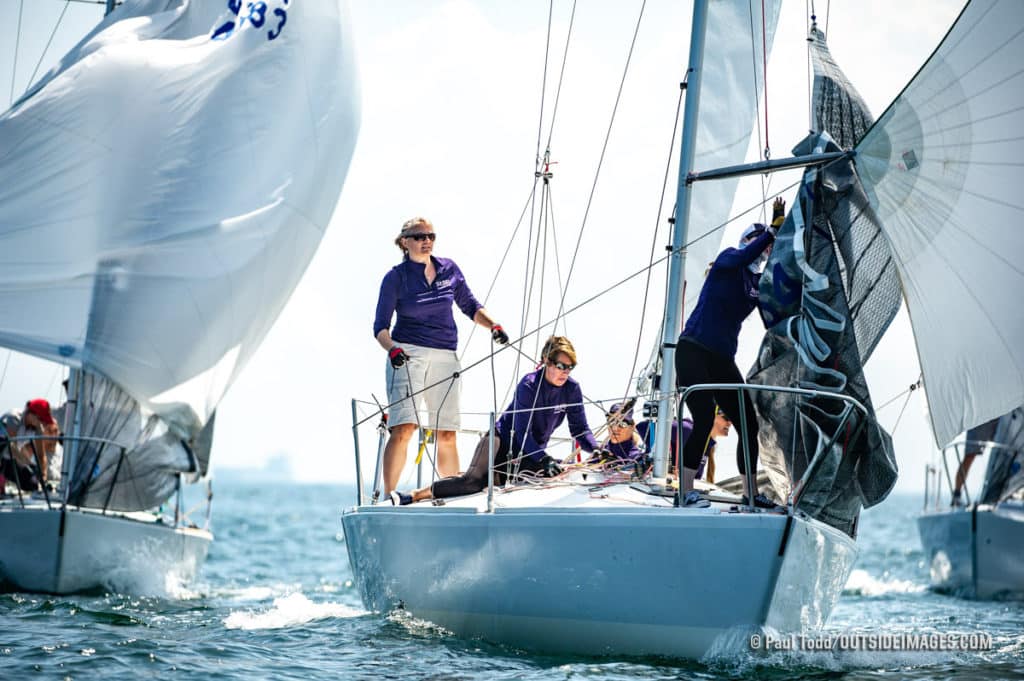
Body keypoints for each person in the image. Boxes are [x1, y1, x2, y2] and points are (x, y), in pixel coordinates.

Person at [374, 217, 509, 494]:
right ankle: (388, 495)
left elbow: (470, 305)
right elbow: (380, 328)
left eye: (431, 236)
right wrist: (393, 350)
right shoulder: (395, 278)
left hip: (446, 355)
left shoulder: (449, 269)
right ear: (404, 242)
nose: (426, 241)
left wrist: (493, 326)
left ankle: (452, 494)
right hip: (407, 354)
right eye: (419, 236)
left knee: (446, 432)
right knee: (405, 428)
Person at [391, 336, 600, 505]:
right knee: (473, 483)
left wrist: (597, 449)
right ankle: (416, 494)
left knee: (549, 477)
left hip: (530, 451)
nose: (565, 371)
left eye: (570, 366)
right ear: (546, 361)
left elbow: (580, 430)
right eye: (560, 365)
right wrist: (543, 458)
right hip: (502, 440)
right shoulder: (529, 385)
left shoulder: (572, 389)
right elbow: (521, 433)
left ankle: (484, 473)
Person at [675, 198, 785, 508]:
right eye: (758, 240)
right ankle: (685, 493)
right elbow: (749, 253)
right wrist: (772, 231)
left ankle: (750, 493)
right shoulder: (728, 260)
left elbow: (772, 302)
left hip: (721, 359)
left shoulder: (755, 283)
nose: (762, 249)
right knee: (702, 418)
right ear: (747, 241)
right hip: (693, 350)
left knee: (748, 422)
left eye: (765, 245)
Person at [0, 399, 59, 492]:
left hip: (11, 459)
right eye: (41, 419)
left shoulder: (38, 429)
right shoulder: (13, 419)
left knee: (32, 484)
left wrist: (43, 476)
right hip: (4, 452)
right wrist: (30, 465)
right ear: (31, 415)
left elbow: (41, 455)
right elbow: (12, 448)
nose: (43, 423)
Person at [951, 416, 1000, 506]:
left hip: (1003, 414)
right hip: (980, 415)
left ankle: (1003, 493)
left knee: (1004, 453)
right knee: (970, 455)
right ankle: (956, 495)